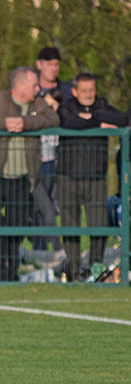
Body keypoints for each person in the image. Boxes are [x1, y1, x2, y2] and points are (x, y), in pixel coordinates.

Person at [0, 67, 59, 281]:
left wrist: (26, 123)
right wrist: (3, 123)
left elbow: (53, 119)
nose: (38, 89)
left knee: (16, 224)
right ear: (20, 86)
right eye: (35, 85)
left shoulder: (37, 104)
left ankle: (12, 268)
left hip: (23, 179)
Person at [56, 72, 127, 281]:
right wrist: (98, 122)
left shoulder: (101, 104)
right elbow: (69, 123)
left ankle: (95, 269)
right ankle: (74, 269)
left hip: (96, 176)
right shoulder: (66, 106)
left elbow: (123, 119)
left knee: (98, 224)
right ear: (75, 91)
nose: (89, 94)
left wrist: (93, 118)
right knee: (70, 225)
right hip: (68, 176)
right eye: (84, 90)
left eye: (92, 90)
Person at [33, 46, 72, 252]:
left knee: (52, 209)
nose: (53, 68)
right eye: (49, 64)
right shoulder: (32, 89)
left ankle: (44, 253)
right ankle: (54, 251)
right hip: (34, 162)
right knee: (42, 208)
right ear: (40, 65)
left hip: (56, 162)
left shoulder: (66, 92)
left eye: (57, 64)